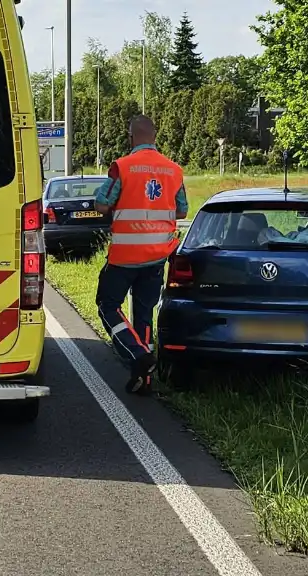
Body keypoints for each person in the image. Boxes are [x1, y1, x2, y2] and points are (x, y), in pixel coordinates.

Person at [93, 115, 189, 394]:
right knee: (144, 314)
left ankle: (137, 355)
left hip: (125, 256)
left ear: (131, 136)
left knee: (107, 305)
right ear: (155, 136)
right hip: (157, 255)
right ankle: (143, 380)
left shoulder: (122, 167)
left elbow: (101, 204)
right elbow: (181, 210)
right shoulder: (174, 170)